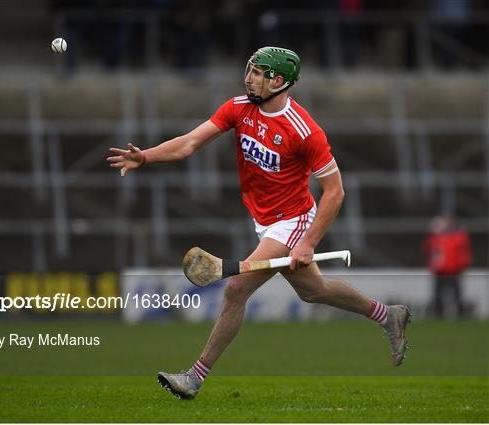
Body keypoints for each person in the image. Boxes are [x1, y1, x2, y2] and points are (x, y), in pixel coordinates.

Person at [107, 46, 411, 399]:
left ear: (278, 81)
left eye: (256, 73)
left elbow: (335, 192)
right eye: (249, 70)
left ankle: (194, 377)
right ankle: (387, 315)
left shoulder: (304, 131)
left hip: (292, 220)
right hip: (263, 218)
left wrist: (308, 242)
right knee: (313, 291)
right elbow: (189, 143)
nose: (247, 77)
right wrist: (146, 157)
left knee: (236, 289)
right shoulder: (239, 108)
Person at [422, 214, 472, 317]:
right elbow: (426, 248)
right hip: (440, 271)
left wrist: (462, 265)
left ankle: (460, 315)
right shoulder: (436, 237)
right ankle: (438, 314)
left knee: (456, 295)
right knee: (438, 295)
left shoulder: (458, 236)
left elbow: (463, 251)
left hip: (454, 270)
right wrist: (433, 233)